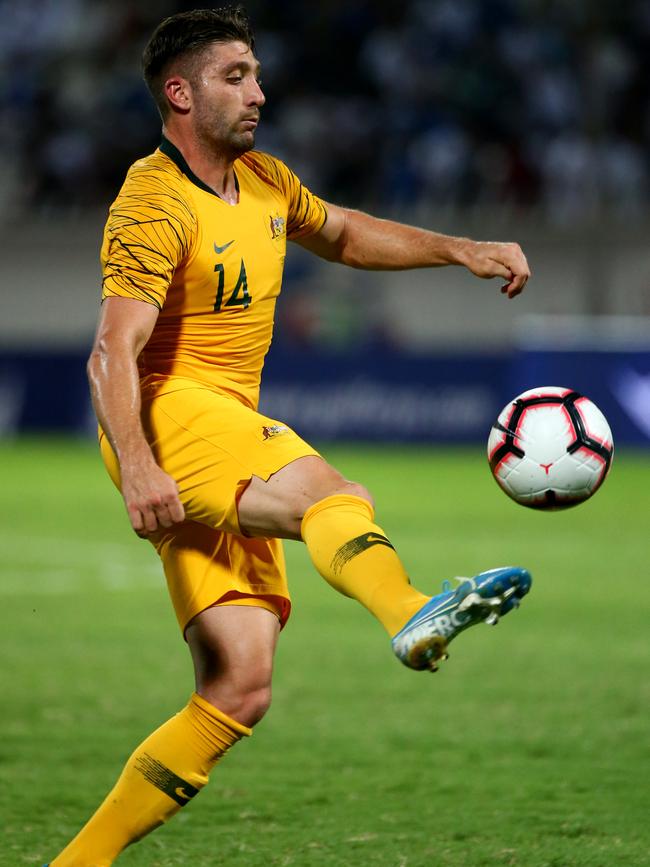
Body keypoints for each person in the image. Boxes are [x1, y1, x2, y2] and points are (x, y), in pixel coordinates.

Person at [47, 6, 532, 865]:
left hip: (212, 425)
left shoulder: (265, 179)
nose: (258, 93)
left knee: (239, 684)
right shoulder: (151, 202)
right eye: (235, 76)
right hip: (170, 411)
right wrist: (137, 467)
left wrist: (461, 248)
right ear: (179, 92)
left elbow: (342, 232)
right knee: (336, 496)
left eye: (258, 75)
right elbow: (109, 351)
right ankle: (411, 610)